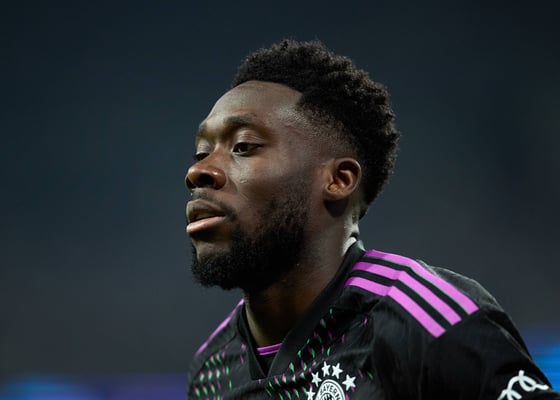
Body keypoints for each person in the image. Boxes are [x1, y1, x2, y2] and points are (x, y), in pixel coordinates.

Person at [184, 39, 559, 399]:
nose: (198, 171)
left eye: (243, 146)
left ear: (339, 180)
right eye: (202, 152)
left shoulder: (425, 322)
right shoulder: (211, 372)